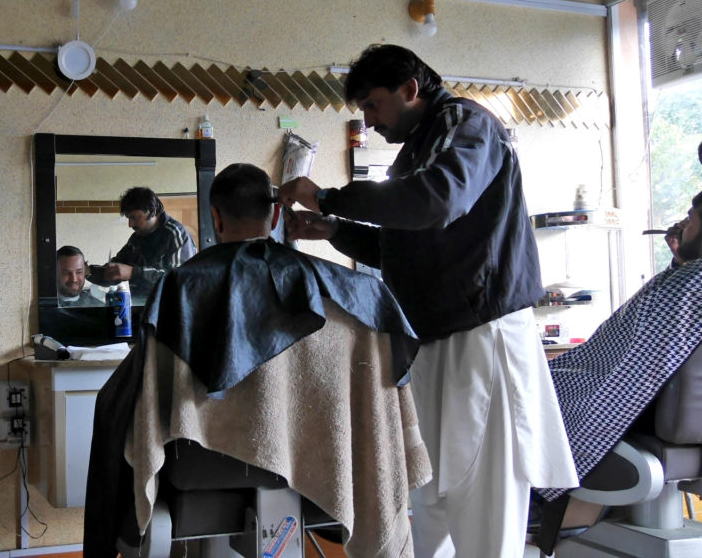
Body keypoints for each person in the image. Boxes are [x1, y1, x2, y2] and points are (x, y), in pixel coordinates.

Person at [278, 44, 577, 558]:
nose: (369, 122)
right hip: (436, 342)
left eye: (372, 105)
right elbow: (403, 243)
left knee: (483, 505)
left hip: (482, 337)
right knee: (430, 495)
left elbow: (437, 202)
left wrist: (328, 196)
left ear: (410, 89)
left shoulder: (469, 125)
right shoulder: (421, 146)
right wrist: (333, 230)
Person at [83, 163, 427, 558]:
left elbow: (144, 401)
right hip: (327, 456)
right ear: (277, 214)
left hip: (201, 464)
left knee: (111, 407)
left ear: (214, 218)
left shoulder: (183, 287)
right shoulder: (353, 291)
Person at [531, 189, 702, 554]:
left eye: (692, 216)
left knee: (533, 394)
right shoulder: (689, 280)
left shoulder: (691, 283)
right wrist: (682, 257)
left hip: (643, 407)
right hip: (679, 416)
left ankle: (547, 502)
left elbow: (627, 370)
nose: (684, 223)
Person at [102, 186, 196, 299]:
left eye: (134, 217)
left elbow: (179, 280)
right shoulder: (136, 238)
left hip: (170, 311)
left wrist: (133, 273)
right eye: (128, 218)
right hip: (142, 309)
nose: (130, 224)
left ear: (152, 212)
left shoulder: (175, 234)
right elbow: (117, 266)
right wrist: (88, 271)